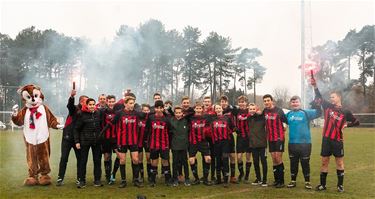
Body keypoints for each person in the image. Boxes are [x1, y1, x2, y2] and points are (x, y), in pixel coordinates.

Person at [311, 78, 359, 192]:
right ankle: (323, 185)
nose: (331, 99)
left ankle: (340, 185)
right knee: (324, 162)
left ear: (339, 97)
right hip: (326, 139)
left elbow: (357, 122)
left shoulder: (346, 112)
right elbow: (319, 96)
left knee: (339, 162)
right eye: (330, 97)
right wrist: (315, 86)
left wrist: (348, 125)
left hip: (337, 141)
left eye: (333, 97)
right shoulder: (327, 106)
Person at [103, 96, 144, 188]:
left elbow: (146, 116)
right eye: (130, 103)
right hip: (122, 141)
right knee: (122, 160)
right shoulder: (119, 113)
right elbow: (111, 123)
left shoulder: (137, 113)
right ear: (125, 104)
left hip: (133, 140)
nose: (132, 105)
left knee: (136, 159)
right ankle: (123, 180)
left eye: (133, 103)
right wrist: (102, 132)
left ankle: (136, 179)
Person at [286, 96, 321, 189]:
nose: (295, 104)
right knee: (293, 163)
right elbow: (280, 120)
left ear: (300, 103)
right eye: (293, 102)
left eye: (296, 102)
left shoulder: (306, 113)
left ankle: (307, 182)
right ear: (290, 104)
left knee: (305, 163)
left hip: (305, 143)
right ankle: (293, 181)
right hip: (292, 143)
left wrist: (317, 105)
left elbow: (319, 113)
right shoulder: (288, 114)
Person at [56, 89, 87, 186]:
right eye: (86, 101)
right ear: (81, 102)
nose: (89, 103)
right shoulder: (74, 108)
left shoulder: (87, 111)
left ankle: (80, 178)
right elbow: (69, 106)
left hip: (78, 139)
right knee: (64, 158)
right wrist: (72, 97)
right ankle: (60, 178)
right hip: (68, 137)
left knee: (80, 159)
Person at [74, 98, 103, 188]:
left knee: (97, 161)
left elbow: (100, 126)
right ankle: (82, 181)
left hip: (96, 141)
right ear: (86, 105)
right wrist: (77, 141)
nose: (92, 106)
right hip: (85, 141)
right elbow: (76, 129)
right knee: (83, 161)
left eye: (93, 104)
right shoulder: (81, 114)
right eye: (90, 104)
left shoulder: (98, 113)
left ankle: (97, 180)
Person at [262, 94, 288, 188]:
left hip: (279, 138)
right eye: (265, 101)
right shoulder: (264, 111)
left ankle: (281, 181)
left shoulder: (279, 110)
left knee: (278, 158)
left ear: (272, 101)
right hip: (270, 138)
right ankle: (276, 180)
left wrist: (284, 126)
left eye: (268, 100)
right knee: (273, 159)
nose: (266, 102)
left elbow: (285, 121)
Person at [147, 100, 173, 187]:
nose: (159, 110)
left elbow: (170, 131)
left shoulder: (167, 119)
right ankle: (152, 180)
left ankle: (168, 179)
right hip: (154, 144)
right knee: (154, 161)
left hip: (164, 144)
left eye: (160, 108)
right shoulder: (150, 118)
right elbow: (148, 130)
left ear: (163, 108)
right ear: (155, 108)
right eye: (157, 108)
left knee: (165, 161)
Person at [187, 102, 213, 186]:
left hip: (203, 141)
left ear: (202, 109)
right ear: (194, 109)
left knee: (208, 159)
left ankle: (205, 179)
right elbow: (181, 115)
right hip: (193, 142)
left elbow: (216, 114)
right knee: (191, 160)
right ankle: (196, 179)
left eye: (200, 108)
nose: (198, 110)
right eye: (197, 108)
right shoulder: (190, 118)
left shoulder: (206, 117)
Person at [211, 104, 235, 188]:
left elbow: (233, 128)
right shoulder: (213, 119)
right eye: (216, 108)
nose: (218, 110)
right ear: (215, 110)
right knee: (218, 160)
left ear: (222, 109)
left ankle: (225, 180)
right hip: (216, 142)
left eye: (219, 108)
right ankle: (218, 179)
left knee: (225, 160)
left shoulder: (227, 118)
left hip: (225, 142)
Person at [169, 106, 191, 186]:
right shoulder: (171, 120)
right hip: (175, 145)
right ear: (174, 113)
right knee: (175, 163)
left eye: (179, 113)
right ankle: (175, 179)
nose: (178, 114)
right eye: (176, 113)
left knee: (185, 162)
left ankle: (187, 179)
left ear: (182, 113)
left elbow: (192, 112)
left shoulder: (186, 120)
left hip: (184, 145)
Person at [247, 103, 268, 187]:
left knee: (263, 162)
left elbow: (265, 112)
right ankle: (258, 178)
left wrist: (260, 113)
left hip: (262, 144)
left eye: (253, 109)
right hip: (253, 144)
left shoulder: (261, 117)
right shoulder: (248, 118)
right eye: (250, 109)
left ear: (256, 109)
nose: (252, 110)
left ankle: (265, 180)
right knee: (255, 162)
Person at [233, 95, 252, 183]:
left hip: (248, 137)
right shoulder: (236, 111)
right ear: (238, 103)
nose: (241, 103)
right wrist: (234, 127)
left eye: (243, 102)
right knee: (239, 157)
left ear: (246, 103)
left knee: (248, 157)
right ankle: (241, 173)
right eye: (240, 102)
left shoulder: (250, 110)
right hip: (240, 136)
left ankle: (247, 176)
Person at [100, 95, 117, 184]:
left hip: (115, 138)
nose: (111, 103)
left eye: (112, 101)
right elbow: (101, 124)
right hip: (106, 138)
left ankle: (113, 174)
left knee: (119, 156)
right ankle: (108, 176)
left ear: (115, 102)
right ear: (107, 102)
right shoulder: (103, 112)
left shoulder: (118, 112)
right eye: (109, 102)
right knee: (107, 157)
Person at [220, 95, 237, 184]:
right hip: (221, 139)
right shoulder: (218, 111)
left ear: (227, 102)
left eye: (225, 101)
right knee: (223, 157)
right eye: (222, 101)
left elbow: (239, 112)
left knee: (232, 156)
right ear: (220, 103)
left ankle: (233, 176)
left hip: (230, 137)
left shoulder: (231, 110)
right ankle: (224, 176)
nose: (224, 103)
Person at [203, 96, 216, 183]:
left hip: (212, 137)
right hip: (203, 137)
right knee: (204, 156)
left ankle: (213, 175)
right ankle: (205, 176)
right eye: (205, 101)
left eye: (208, 101)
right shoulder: (200, 111)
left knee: (213, 156)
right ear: (203, 102)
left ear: (210, 102)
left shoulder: (214, 111)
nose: (207, 103)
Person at [137, 104, 151, 183]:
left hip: (147, 142)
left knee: (148, 158)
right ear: (141, 111)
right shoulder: (139, 118)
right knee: (140, 159)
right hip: (139, 141)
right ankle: (141, 176)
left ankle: (149, 176)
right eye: (144, 110)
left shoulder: (150, 119)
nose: (146, 112)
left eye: (147, 110)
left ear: (149, 111)